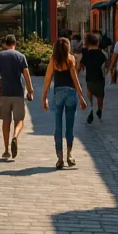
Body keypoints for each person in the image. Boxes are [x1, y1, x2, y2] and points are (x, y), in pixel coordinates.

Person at [42, 38, 88, 169]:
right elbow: (75, 79)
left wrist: (44, 97)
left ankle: (60, 158)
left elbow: (47, 79)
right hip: (71, 94)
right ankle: (69, 155)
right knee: (70, 126)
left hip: (58, 94)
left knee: (58, 126)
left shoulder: (54, 60)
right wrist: (81, 97)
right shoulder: (70, 59)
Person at [0, 34, 34, 161]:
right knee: (19, 120)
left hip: (4, 93)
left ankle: (6, 150)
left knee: (6, 121)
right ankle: (15, 136)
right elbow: (26, 74)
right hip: (18, 92)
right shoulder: (21, 56)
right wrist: (30, 90)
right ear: (15, 43)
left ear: (5, 44)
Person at [78, 32, 107, 124]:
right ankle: (99, 110)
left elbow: (79, 67)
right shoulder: (103, 54)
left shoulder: (86, 54)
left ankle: (91, 109)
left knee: (89, 93)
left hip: (89, 78)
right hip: (100, 78)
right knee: (100, 96)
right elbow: (107, 65)